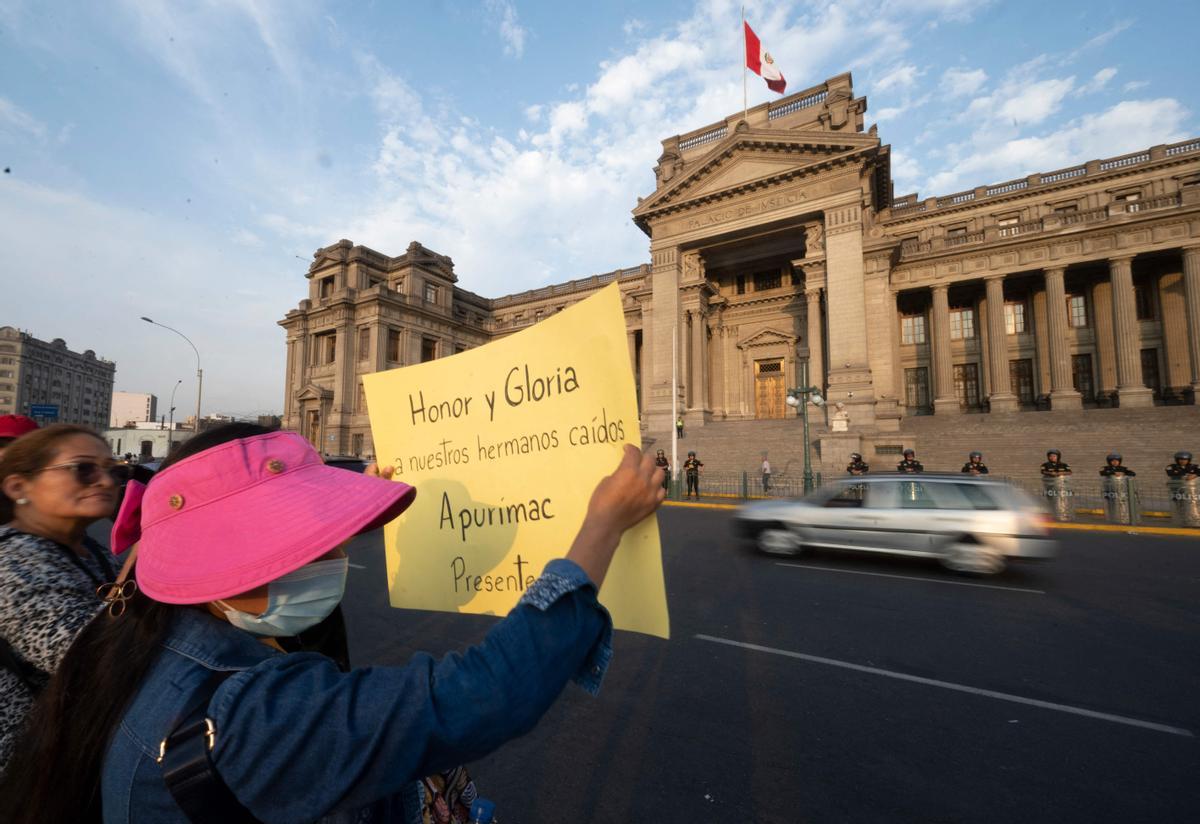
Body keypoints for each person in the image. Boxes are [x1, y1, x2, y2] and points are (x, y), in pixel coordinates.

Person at [0, 425, 664, 822]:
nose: (339, 558)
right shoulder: (251, 717)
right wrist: (601, 524)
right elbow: (486, 694)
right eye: (315, 541)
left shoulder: (144, 644)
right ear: (238, 562)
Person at [0, 424, 126, 770]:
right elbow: (97, 657)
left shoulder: (88, 548)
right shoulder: (12, 563)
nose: (105, 481)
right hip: (34, 768)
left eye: (113, 471)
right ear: (18, 486)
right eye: (83, 469)